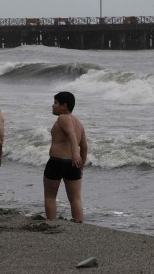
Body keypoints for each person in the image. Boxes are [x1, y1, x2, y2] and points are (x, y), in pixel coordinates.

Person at [43, 91, 88, 222]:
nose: (52, 105)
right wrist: (81, 165)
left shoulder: (63, 117)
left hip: (57, 162)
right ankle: (79, 223)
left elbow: (71, 134)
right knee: (75, 199)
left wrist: (75, 152)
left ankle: (51, 222)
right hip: (73, 165)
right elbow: (84, 147)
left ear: (64, 106)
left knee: (50, 197)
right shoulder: (79, 123)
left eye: (55, 103)